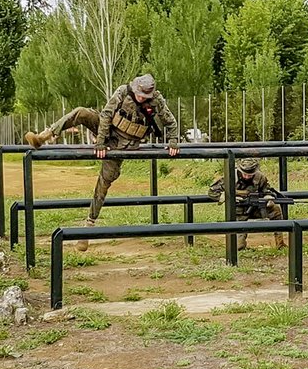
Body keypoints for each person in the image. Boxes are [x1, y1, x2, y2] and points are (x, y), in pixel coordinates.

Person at [23, 74, 180, 251]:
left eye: (145, 96)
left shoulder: (156, 101)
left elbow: (170, 122)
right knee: (82, 112)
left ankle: (89, 225)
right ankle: (44, 136)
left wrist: (173, 142)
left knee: (104, 182)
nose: (141, 97)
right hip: (106, 132)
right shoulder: (123, 92)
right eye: (139, 94)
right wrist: (100, 142)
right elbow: (106, 115)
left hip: (123, 146)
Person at [208, 157, 286, 250]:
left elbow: (267, 190)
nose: (246, 176)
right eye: (244, 173)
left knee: (275, 210)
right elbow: (212, 192)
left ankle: (280, 244)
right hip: (239, 212)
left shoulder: (260, 177)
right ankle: (241, 245)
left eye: (250, 174)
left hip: (256, 207)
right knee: (239, 246)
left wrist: (268, 197)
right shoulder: (230, 177)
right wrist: (226, 197)